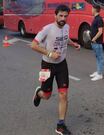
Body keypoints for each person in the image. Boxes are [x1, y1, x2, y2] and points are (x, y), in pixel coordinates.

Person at [31, 4, 81, 135]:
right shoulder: (47, 29)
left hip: (61, 64)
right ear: (55, 15)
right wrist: (49, 53)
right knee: (46, 95)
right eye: (60, 15)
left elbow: (65, 38)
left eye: (65, 16)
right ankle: (38, 93)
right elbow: (33, 45)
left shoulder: (67, 27)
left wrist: (73, 43)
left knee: (63, 94)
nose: (63, 18)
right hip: (46, 65)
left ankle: (60, 125)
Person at [89, 4, 104, 81]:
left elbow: (100, 31)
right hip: (95, 43)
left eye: (92, 8)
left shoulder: (99, 19)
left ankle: (100, 74)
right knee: (98, 58)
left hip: (97, 42)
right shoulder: (96, 18)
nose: (91, 10)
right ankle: (98, 71)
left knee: (100, 58)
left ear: (95, 9)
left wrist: (93, 39)